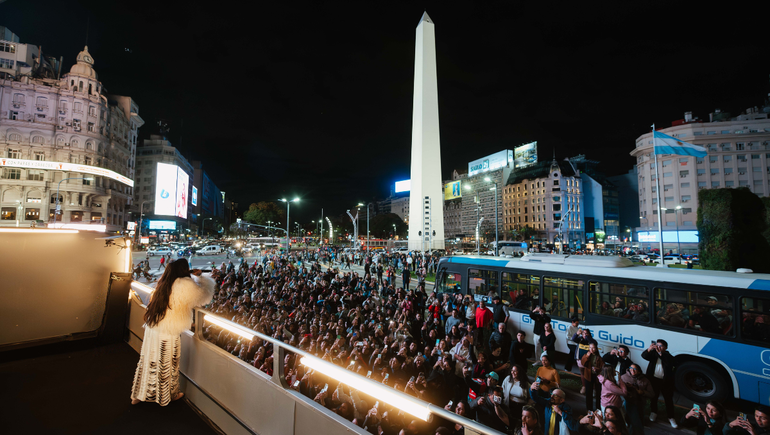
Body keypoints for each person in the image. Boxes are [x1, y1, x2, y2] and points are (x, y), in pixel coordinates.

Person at [131, 259, 215, 405]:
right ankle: (167, 396)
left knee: (149, 360)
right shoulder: (184, 284)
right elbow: (204, 297)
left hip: (154, 326)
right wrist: (200, 277)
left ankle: (139, 394)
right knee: (167, 364)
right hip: (168, 331)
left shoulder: (165, 282)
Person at [641, 339, 677, 428]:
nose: (658, 347)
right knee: (654, 397)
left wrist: (660, 354)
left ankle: (671, 417)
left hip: (666, 381)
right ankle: (654, 412)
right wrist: (649, 349)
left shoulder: (668, 356)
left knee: (668, 399)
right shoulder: (653, 354)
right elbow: (644, 356)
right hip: (654, 380)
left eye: (660, 346)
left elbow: (668, 364)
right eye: (657, 345)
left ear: (665, 347)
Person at [620, 363, 654, 435]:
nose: (632, 370)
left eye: (635, 369)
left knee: (639, 421)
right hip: (629, 402)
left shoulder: (645, 380)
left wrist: (642, 392)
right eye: (631, 368)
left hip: (640, 403)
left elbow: (651, 394)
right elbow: (619, 390)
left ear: (639, 371)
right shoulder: (623, 377)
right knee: (633, 422)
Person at [580, 342, 604, 413]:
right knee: (588, 393)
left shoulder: (599, 357)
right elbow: (583, 363)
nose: (591, 349)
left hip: (597, 377)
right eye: (590, 347)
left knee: (598, 393)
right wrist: (587, 356)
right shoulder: (586, 355)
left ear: (596, 349)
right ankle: (589, 409)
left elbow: (602, 367)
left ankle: (598, 409)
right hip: (588, 376)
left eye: (593, 348)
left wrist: (598, 369)